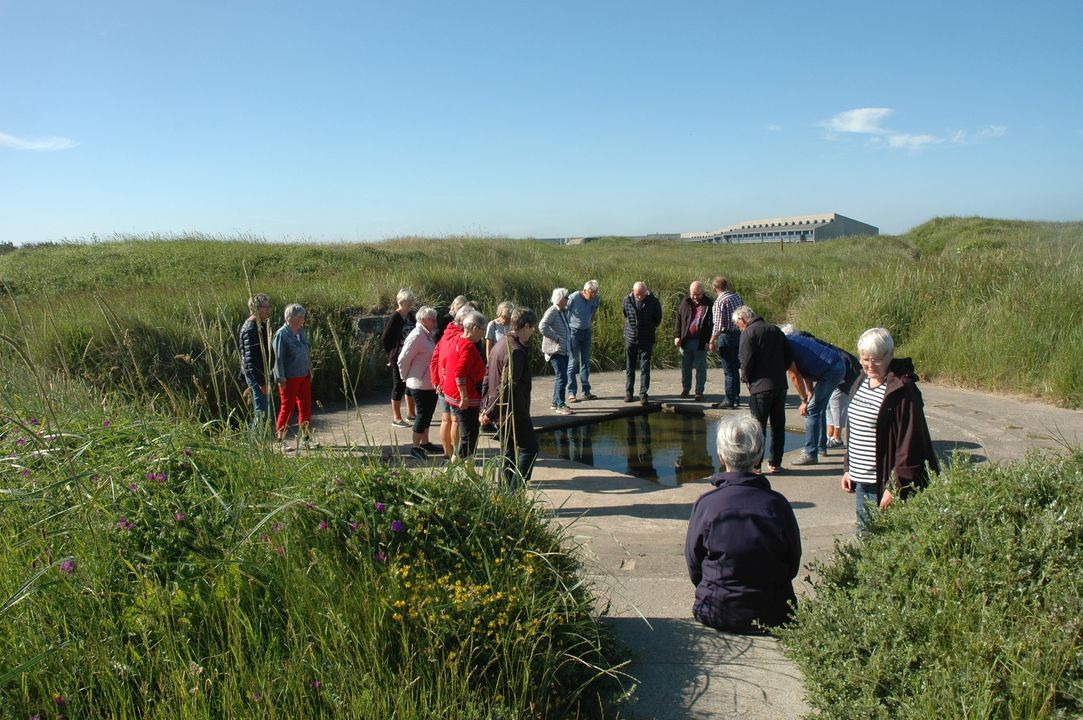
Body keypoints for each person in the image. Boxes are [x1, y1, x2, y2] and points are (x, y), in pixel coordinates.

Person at [685, 414, 802, 634]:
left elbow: (694, 564)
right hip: (773, 611)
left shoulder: (706, 505)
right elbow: (792, 562)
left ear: (720, 455)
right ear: (758, 456)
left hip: (717, 609)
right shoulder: (777, 504)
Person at [842, 327, 939, 536]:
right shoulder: (861, 380)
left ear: (890, 355)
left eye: (876, 359)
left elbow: (910, 443)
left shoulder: (903, 390)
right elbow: (855, 428)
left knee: (886, 539)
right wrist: (848, 467)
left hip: (885, 483)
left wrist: (896, 487)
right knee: (864, 536)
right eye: (865, 359)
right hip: (861, 481)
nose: (869, 365)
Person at [480, 307, 539, 488]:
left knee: (509, 452)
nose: (533, 331)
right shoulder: (515, 351)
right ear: (526, 326)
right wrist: (489, 412)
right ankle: (514, 491)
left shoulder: (501, 343)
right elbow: (507, 387)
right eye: (532, 327)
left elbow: (487, 376)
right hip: (513, 411)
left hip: (501, 410)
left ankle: (505, 492)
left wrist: (484, 407)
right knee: (530, 449)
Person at [733, 305, 791, 474]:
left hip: (759, 387)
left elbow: (746, 360)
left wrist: (747, 379)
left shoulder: (748, 333)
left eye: (738, 324)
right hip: (780, 385)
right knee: (778, 425)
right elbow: (789, 356)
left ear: (743, 320)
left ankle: (756, 465)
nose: (738, 327)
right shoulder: (775, 330)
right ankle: (775, 462)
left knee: (757, 428)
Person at [782, 326, 846, 466]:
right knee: (818, 407)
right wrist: (810, 392)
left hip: (831, 370)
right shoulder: (792, 340)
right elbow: (806, 370)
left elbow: (795, 375)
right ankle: (821, 447)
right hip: (834, 365)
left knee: (812, 410)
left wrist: (803, 400)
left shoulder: (784, 347)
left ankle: (810, 453)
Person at [439, 309, 487, 459]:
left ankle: (460, 463)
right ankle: (463, 466)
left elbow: (446, 363)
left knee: (466, 432)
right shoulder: (468, 346)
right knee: (469, 434)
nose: (483, 335)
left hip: (451, 394)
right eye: (482, 330)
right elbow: (459, 371)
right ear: (474, 328)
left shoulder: (456, 339)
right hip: (466, 398)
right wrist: (464, 396)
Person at [397, 305, 441, 460]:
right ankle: (415, 447)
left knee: (428, 413)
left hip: (430, 382)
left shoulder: (427, 334)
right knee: (422, 415)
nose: (435, 322)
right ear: (422, 319)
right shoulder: (416, 335)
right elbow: (403, 358)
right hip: (419, 382)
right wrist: (405, 376)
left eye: (435, 319)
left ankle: (425, 442)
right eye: (432, 319)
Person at [273, 303, 318, 450]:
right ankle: (280, 441)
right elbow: (277, 359)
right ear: (291, 318)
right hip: (289, 378)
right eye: (300, 317)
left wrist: (309, 371)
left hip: (303, 375)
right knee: (287, 408)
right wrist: (280, 378)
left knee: (305, 407)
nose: (303, 319)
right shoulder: (281, 334)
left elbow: (305, 351)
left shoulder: (300, 331)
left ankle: (306, 438)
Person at [431, 297, 471, 459]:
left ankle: (448, 454)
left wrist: (436, 381)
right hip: (453, 384)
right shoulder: (460, 337)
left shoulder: (446, 333)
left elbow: (435, 358)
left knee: (445, 419)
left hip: (442, 381)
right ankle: (455, 455)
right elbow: (459, 366)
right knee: (454, 420)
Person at [622, 280, 663, 405]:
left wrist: (648, 327)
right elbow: (625, 314)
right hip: (630, 338)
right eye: (637, 294)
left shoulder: (654, 302)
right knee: (630, 367)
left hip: (646, 338)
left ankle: (643, 394)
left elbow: (658, 319)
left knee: (645, 367)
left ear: (646, 291)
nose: (639, 297)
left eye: (641, 294)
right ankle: (629, 392)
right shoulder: (627, 300)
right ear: (633, 292)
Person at [381, 288, 417, 429]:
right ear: (401, 302)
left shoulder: (410, 316)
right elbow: (385, 339)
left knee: (410, 384)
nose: (410, 305)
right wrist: (391, 356)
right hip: (398, 357)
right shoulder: (395, 317)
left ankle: (411, 414)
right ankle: (396, 418)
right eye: (408, 302)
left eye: (411, 302)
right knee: (399, 385)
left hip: (410, 355)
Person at [707, 276, 744, 409]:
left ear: (715, 288)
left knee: (728, 370)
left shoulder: (719, 302)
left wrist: (712, 341)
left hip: (726, 336)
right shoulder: (737, 297)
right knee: (735, 368)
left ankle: (729, 400)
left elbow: (718, 325)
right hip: (738, 334)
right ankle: (736, 398)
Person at [674, 280, 713, 401]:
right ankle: (686, 389)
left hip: (701, 341)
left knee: (701, 367)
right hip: (686, 340)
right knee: (685, 367)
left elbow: (712, 324)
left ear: (703, 292)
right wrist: (677, 336)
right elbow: (678, 320)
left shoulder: (709, 304)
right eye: (692, 294)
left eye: (697, 294)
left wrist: (710, 341)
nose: (694, 297)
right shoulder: (685, 302)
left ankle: (699, 391)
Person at [239, 292, 273, 429]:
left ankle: (262, 442)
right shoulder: (250, 328)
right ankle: (255, 443)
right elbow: (250, 360)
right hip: (257, 377)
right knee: (262, 411)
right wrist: (261, 382)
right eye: (266, 307)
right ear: (257, 308)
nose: (268, 310)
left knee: (265, 410)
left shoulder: (261, 325)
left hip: (263, 374)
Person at [539, 287, 574, 415]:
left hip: (563, 350)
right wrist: (556, 338)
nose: (568, 299)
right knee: (562, 377)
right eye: (566, 297)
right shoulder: (553, 310)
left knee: (561, 376)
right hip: (555, 350)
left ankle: (555, 402)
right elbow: (542, 326)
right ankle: (560, 404)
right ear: (560, 298)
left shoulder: (561, 311)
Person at [566, 280, 600, 403]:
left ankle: (586, 391)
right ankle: (571, 392)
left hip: (587, 331)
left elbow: (594, 310)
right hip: (573, 332)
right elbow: (563, 310)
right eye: (591, 294)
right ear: (585, 291)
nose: (593, 297)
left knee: (585, 362)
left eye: (595, 294)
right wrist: (568, 327)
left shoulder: (595, 298)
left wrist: (588, 321)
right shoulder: (574, 297)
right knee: (573, 362)